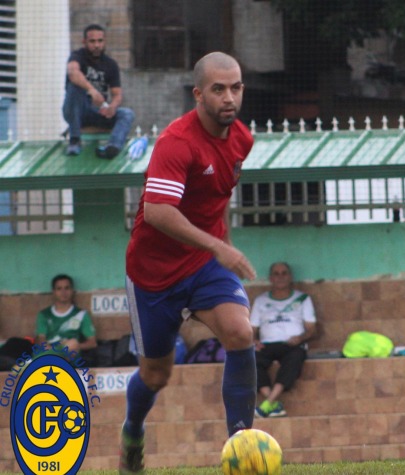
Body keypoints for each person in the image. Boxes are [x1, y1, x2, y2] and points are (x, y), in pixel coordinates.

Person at [120, 52, 257, 475]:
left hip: (203, 265)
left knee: (240, 332)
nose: (228, 97)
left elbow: (219, 195)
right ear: (199, 95)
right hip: (153, 275)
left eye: (235, 87)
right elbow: (159, 211)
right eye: (218, 89)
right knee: (157, 375)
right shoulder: (176, 142)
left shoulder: (242, 139)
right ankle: (132, 432)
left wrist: (225, 243)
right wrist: (220, 248)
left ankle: (242, 450)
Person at [250, 262, 317, 418]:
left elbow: (312, 329)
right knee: (249, 360)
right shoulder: (261, 300)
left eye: (284, 273)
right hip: (266, 345)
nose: (280, 277)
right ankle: (273, 404)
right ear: (270, 278)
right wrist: (253, 340)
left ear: (290, 276)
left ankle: (268, 403)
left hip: (292, 345)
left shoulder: (302, 298)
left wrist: (300, 338)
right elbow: (252, 329)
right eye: (276, 273)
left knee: (295, 359)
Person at [62, 24, 135, 158]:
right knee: (75, 87)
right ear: (84, 42)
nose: (97, 45)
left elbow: (117, 94)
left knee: (127, 114)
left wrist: (112, 107)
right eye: (92, 41)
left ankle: (112, 147)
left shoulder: (110, 64)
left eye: (100, 41)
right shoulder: (77, 56)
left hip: (97, 111)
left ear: (104, 41)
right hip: (77, 110)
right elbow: (73, 73)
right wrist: (92, 91)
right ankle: (74, 140)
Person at [35, 274, 97, 364]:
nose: (63, 292)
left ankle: (31, 364)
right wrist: (50, 348)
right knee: (46, 352)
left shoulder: (81, 314)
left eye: (67, 288)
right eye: (59, 289)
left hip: (70, 356)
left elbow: (92, 343)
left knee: (71, 344)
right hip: (49, 352)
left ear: (72, 291)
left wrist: (76, 346)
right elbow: (41, 339)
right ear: (53, 292)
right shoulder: (44, 314)